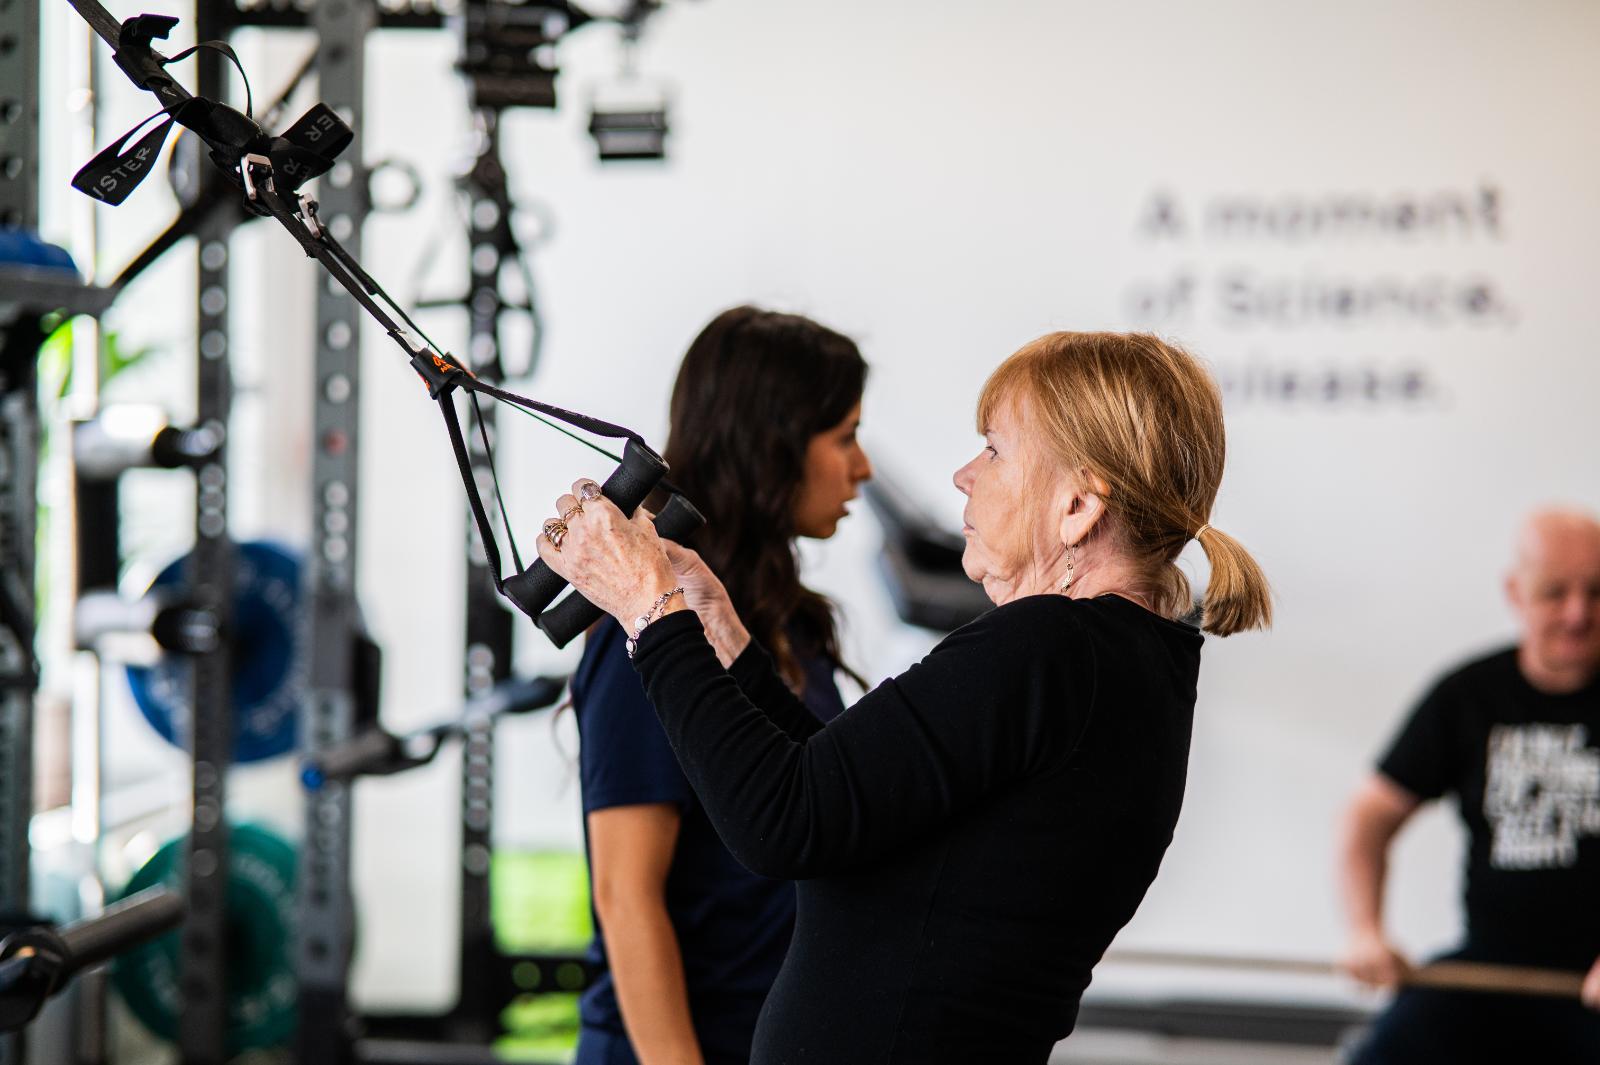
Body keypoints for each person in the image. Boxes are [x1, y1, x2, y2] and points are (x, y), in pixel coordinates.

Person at [536, 331, 1272, 1063]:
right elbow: (847, 802)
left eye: (994, 450)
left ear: (1078, 505)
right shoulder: (1128, 657)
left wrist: (647, 608)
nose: (963, 475)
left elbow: (784, 823)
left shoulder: (1046, 646)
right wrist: (717, 631)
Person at [569, 306, 873, 1065]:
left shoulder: (783, 624)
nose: (861, 467)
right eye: (843, 437)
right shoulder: (644, 633)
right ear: (771, 447)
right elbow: (625, 894)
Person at [1338, 508, 1600, 1064]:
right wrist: (1366, 931)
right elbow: (1369, 817)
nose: (1578, 613)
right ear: (1516, 592)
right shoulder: (1468, 695)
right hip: (1490, 970)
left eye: (1596, 592)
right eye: (1555, 592)